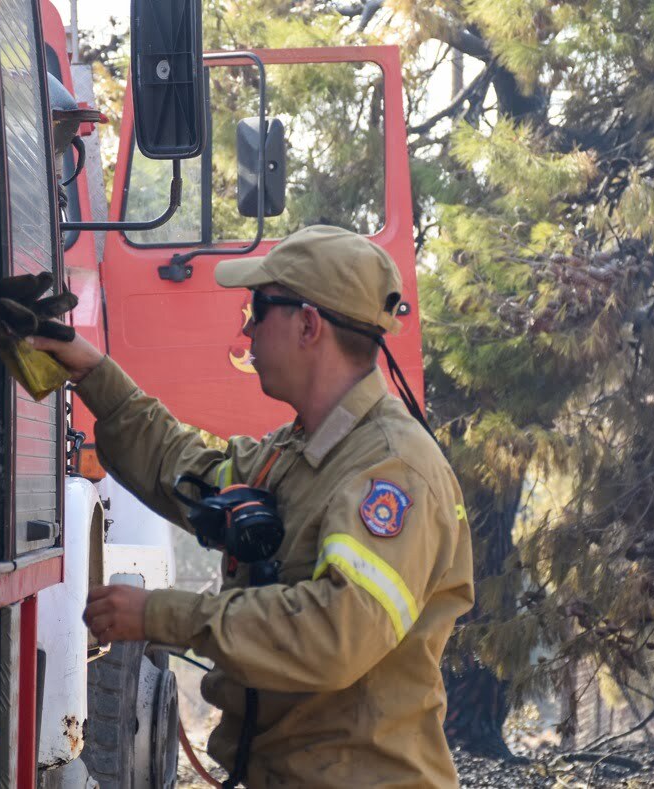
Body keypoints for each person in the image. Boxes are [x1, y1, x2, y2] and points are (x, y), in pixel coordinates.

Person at [30, 225, 475, 788]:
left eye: (259, 308)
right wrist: (92, 373)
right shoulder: (298, 453)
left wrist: (163, 614)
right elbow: (187, 471)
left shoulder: (392, 472)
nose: (246, 326)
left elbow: (334, 633)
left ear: (309, 324)